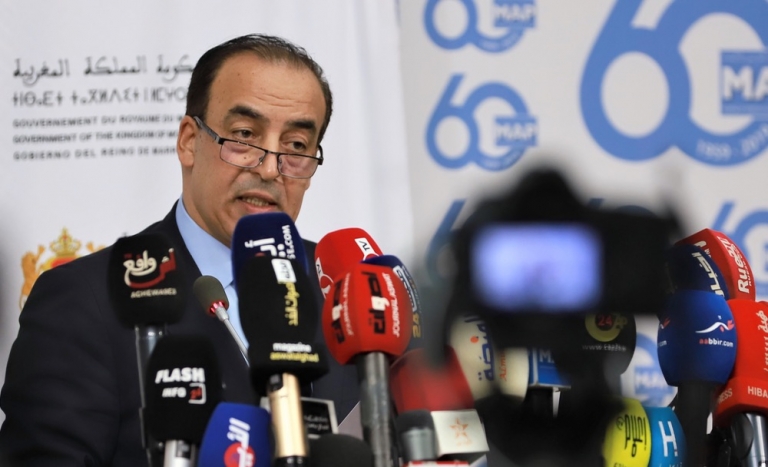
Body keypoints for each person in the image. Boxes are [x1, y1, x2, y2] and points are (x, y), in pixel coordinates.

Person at [0, 34, 359, 466]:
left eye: (296, 146)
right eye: (245, 135)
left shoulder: (349, 291)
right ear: (189, 141)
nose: (269, 168)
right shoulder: (84, 302)